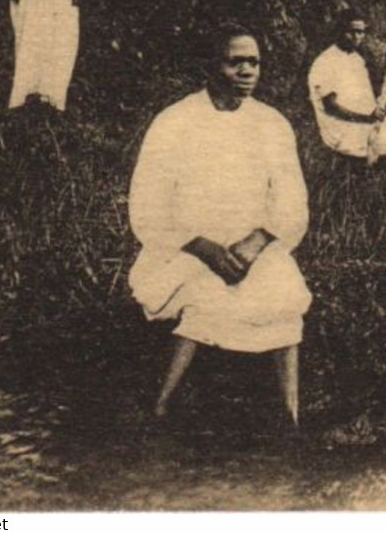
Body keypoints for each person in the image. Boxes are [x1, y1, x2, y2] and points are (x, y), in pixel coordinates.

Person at [128, 25, 311, 425]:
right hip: (185, 246)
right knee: (205, 296)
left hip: (251, 247)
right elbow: (147, 206)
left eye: (254, 62)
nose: (247, 71)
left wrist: (258, 240)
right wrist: (203, 247)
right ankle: (161, 405)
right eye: (235, 62)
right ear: (211, 67)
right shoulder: (174, 122)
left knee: (285, 297)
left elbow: (292, 203)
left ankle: (290, 414)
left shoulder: (273, 124)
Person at [307, 11, 386, 158]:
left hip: (362, 125)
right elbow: (331, 107)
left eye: (361, 32)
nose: (357, 37)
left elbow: (363, 99)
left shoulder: (356, 59)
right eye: (351, 32)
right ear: (340, 31)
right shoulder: (326, 61)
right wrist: (368, 118)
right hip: (341, 133)